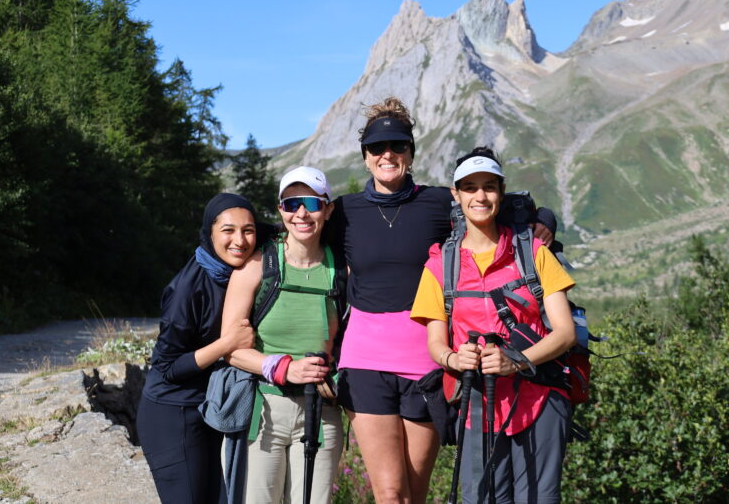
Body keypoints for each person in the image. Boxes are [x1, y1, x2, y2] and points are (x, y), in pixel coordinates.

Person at [325, 98, 554, 503]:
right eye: (377, 148)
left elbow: (496, 205)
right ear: (364, 157)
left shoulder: (437, 203)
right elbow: (297, 232)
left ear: (411, 153)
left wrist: (545, 221)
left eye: (397, 145)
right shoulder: (344, 210)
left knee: (415, 492)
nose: (387, 154)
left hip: (426, 360)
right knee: (390, 493)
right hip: (363, 360)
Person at [411, 148, 576, 504]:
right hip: (475, 403)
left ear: (501, 192)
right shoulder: (440, 264)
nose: (480, 196)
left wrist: (515, 361)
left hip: (540, 399)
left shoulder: (533, 252)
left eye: (488, 186)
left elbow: (565, 332)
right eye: (470, 187)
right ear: (456, 195)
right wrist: (456, 360)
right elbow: (436, 344)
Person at [222, 166, 344, 504]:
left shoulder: (342, 270)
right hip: (265, 411)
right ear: (280, 210)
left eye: (311, 203)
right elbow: (230, 348)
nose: (301, 213)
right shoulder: (257, 267)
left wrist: (339, 376)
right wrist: (284, 367)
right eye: (291, 204)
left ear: (328, 209)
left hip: (322, 413)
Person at [136, 193, 264, 504]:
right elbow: (167, 368)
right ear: (209, 233)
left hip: (210, 408)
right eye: (228, 230)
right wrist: (227, 344)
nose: (240, 240)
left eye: (248, 230)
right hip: (172, 413)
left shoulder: (238, 274)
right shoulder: (187, 288)